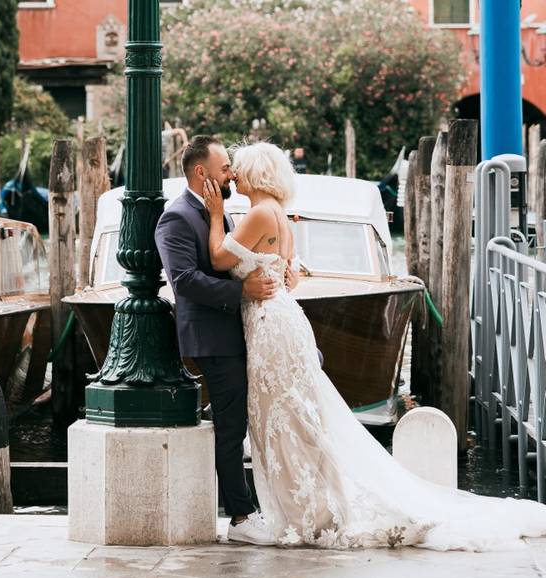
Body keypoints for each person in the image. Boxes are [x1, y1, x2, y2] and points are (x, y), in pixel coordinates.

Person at [203, 141, 546, 550]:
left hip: (270, 325)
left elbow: (220, 260)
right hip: (276, 320)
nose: (233, 176)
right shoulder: (278, 213)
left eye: (238, 169)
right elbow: (286, 271)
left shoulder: (259, 212)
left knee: (284, 419)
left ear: (255, 173)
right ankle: (310, 509)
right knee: (292, 418)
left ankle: (307, 512)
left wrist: (215, 216)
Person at [154, 136, 298, 545]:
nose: (231, 174)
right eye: (224, 169)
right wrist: (242, 293)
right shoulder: (177, 217)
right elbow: (183, 281)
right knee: (231, 425)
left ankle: (256, 509)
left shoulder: (222, 214)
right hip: (212, 336)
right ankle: (240, 517)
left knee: (244, 420)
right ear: (202, 174)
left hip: (239, 329)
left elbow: (231, 260)